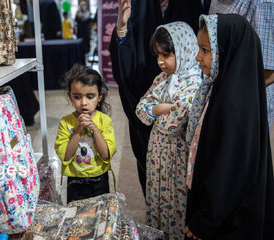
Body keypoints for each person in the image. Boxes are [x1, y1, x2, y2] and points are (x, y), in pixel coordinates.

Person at [184, 14, 274, 240]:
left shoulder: (235, 104)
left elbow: (230, 173)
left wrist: (205, 219)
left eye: (205, 50)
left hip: (227, 222)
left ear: (229, 51)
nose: (198, 57)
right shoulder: (222, 88)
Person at [109, 0, 209, 197]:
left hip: (183, 132)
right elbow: (126, 58)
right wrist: (122, 26)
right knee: (153, 177)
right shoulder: (140, 5)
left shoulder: (188, 7)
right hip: (144, 97)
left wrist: (156, 109)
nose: (161, 61)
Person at [135, 22, 202, 239]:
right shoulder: (163, 79)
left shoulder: (193, 81)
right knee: (157, 198)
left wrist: (155, 110)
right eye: (158, 55)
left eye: (166, 55)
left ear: (184, 50)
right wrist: (160, 108)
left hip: (177, 156)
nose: (160, 62)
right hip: (157, 154)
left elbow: (172, 125)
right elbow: (140, 111)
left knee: (175, 202)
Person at [54, 64, 116, 204]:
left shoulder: (104, 121)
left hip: (99, 178)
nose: (84, 103)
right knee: (77, 217)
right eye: (77, 97)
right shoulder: (66, 122)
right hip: (75, 180)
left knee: (100, 215)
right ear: (70, 96)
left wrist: (94, 129)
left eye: (90, 96)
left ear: (99, 96)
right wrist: (78, 131)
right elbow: (65, 155)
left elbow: (106, 154)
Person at [209, 0, 274, 130]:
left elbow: (266, 70)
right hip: (217, 92)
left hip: (244, 104)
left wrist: (230, 96)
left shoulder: (262, 3)